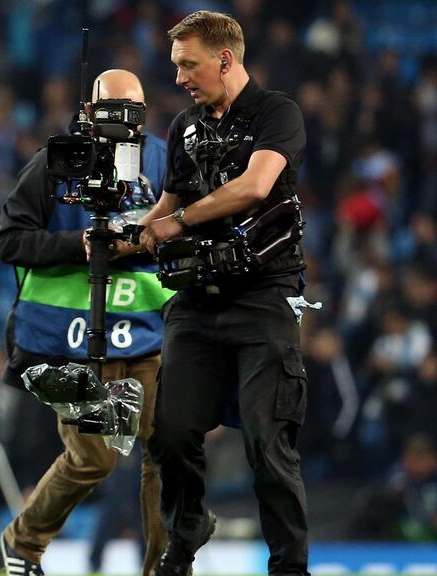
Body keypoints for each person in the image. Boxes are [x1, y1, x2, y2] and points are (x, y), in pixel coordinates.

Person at [136, 11, 309, 576]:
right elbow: (167, 205)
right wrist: (124, 234)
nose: (180, 77)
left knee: (267, 444)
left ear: (225, 59)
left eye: (189, 65)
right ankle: (186, 531)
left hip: (263, 297)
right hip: (195, 300)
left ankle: (289, 568)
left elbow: (256, 186)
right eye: (176, 66)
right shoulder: (184, 126)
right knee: (170, 432)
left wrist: (179, 221)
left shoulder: (276, 113)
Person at [0, 69, 171, 576]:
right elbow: (7, 240)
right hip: (71, 339)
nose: (124, 121)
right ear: (88, 111)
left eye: (133, 111)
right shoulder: (57, 162)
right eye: (113, 110)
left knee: (168, 450)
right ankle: (22, 542)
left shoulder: (163, 159)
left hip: (145, 335)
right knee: (94, 458)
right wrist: (78, 244)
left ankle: (166, 566)